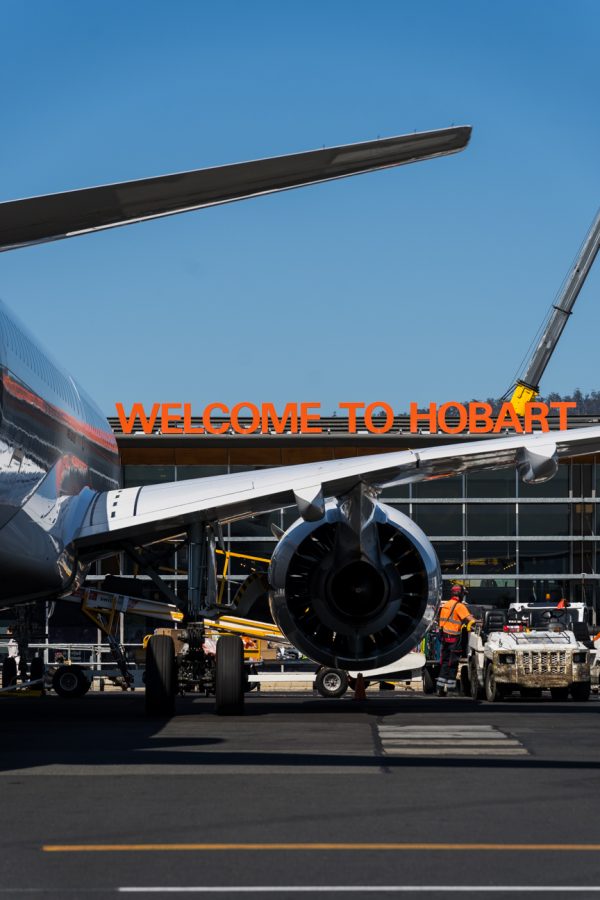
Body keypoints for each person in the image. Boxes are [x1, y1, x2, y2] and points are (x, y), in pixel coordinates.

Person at [436, 585, 477, 696]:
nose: (464, 596)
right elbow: (471, 620)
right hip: (454, 638)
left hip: (445, 637)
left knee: (444, 662)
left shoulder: (446, 605)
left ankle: (439, 688)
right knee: (453, 663)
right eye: (463, 594)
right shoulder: (459, 606)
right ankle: (450, 689)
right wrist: (478, 622)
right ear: (459, 594)